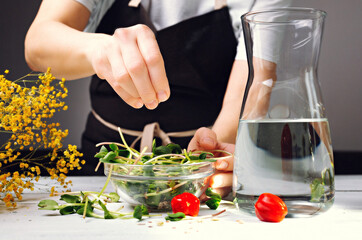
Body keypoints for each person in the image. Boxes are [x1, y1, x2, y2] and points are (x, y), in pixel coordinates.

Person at [24, 0, 291, 197]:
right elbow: (38, 45)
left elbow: (257, 75)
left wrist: (206, 160)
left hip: (197, 170)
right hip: (102, 167)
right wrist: (100, 49)